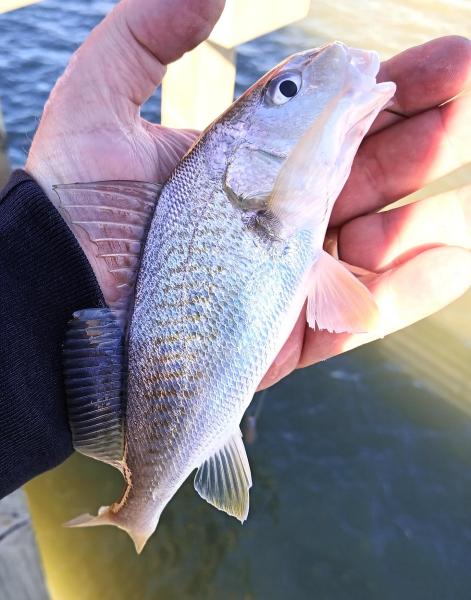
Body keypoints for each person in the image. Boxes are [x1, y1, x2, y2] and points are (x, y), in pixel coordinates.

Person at [0, 0, 469, 498]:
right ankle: (142, 503)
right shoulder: (273, 203)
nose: (297, 87)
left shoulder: (278, 203)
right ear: (237, 161)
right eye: (286, 92)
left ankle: (140, 502)